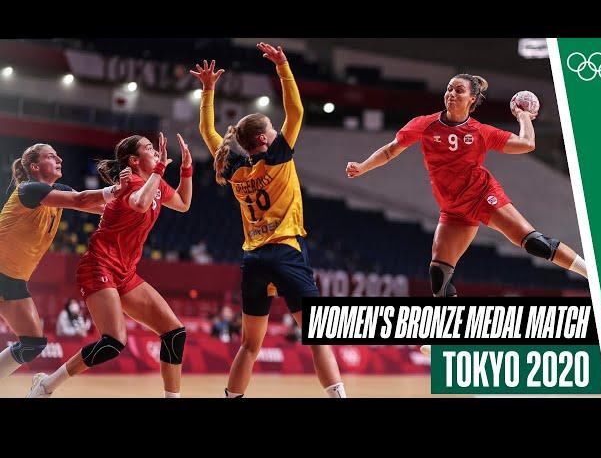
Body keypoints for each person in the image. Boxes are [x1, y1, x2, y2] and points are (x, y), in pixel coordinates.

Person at [192, 43, 346, 398]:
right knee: (318, 337)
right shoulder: (277, 157)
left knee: (250, 345)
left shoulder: (233, 170)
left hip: (254, 259)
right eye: (273, 129)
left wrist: (208, 91)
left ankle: (231, 397)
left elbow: (208, 132)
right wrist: (283, 66)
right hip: (286, 253)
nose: (279, 131)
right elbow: (296, 109)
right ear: (263, 139)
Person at [346, 74, 588, 298]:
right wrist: (363, 166)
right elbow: (390, 150)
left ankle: (593, 275)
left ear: (472, 99)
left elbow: (526, 143)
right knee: (439, 278)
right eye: (449, 89)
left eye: (458, 91)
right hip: (453, 209)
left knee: (535, 243)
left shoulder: (480, 131)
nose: (451, 94)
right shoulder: (424, 124)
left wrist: (524, 117)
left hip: (482, 196)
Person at [27, 132, 193, 398]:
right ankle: (46, 385)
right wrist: (160, 169)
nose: (155, 152)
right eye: (149, 149)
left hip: (126, 273)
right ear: (134, 160)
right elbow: (139, 204)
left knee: (175, 333)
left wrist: (186, 169)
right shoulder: (129, 185)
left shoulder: (156, 184)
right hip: (98, 265)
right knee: (113, 342)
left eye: (154, 149)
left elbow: (184, 204)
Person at [0, 143, 130, 383]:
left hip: (13, 281)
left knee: (32, 344)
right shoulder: (29, 189)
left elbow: (100, 207)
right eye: (51, 156)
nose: (59, 158)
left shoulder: (57, 191)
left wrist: (136, 202)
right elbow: (81, 200)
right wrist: (116, 189)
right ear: (35, 166)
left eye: (58, 155)